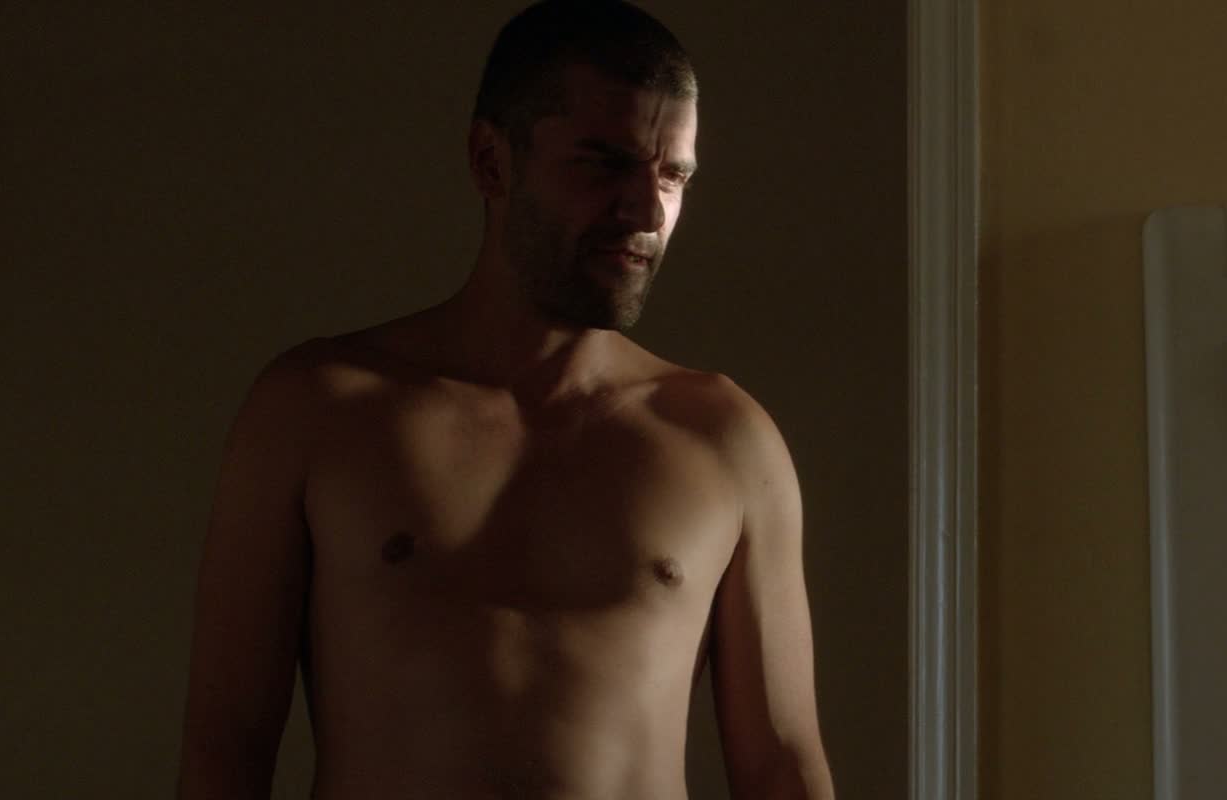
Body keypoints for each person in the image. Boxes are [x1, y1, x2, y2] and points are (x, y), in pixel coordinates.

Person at [175, 2, 833, 797]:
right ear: (492, 161)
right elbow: (226, 745)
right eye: (604, 163)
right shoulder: (317, 410)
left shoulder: (724, 437)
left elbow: (781, 763)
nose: (646, 210)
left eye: (673, 175)